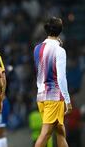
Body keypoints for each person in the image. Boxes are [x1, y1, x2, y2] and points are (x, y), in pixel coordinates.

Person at [34, 17, 72, 147]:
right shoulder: (60, 51)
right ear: (60, 31)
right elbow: (61, 77)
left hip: (41, 95)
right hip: (54, 96)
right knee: (46, 134)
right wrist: (67, 100)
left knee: (60, 131)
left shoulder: (37, 49)